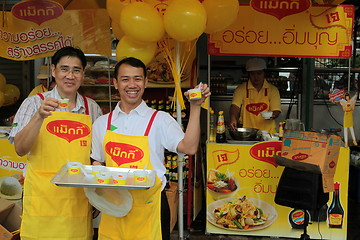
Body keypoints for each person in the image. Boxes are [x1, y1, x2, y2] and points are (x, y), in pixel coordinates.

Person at [90, 57, 210, 240]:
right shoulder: (101, 123)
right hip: (114, 206)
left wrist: (195, 107)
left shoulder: (160, 119)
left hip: (151, 206)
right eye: (125, 79)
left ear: (145, 82)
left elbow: (190, 147)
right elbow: (97, 161)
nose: (132, 85)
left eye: (137, 79)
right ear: (115, 83)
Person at [8, 46, 103, 240]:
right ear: (53, 71)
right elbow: (20, 148)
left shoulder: (92, 108)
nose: (70, 75)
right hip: (43, 199)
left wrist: (98, 194)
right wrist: (39, 117)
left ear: (83, 74)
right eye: (64, 69)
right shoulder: (34, 103)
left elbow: (97, 157)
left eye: (76, 70)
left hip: (77, 202)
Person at [229, 58, 281, 134]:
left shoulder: (272, 90)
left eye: (259, 73)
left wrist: (273, 115)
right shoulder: (241, 89)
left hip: (268, 134)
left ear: (264, 73)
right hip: (247, 133)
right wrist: (233, 117)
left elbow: (276, 110)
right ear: (248, 74)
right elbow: (235, 106)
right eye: (252, 74)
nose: (256, 77)